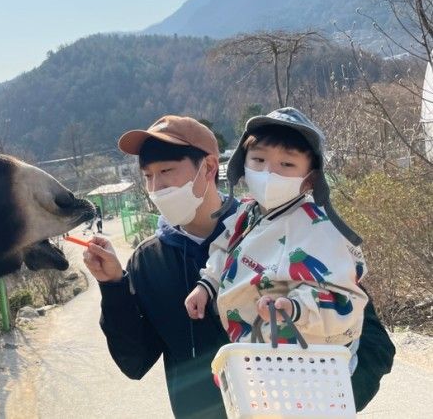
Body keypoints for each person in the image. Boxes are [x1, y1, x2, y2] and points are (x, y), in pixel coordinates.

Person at [82, 114, 394, 418]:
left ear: (208, 168)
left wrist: (322, 402)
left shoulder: (292, 231)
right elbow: (134, 363)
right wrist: (113, 285)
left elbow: (372, 342)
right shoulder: (149, 261)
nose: (156, 187)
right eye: (147, 176)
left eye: (167, 171)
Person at [186, 108, 367, 366]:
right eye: (259, 161)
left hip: (302, 364)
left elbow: (343, 299)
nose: (269, 173)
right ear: (242, 164)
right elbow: (224, 251)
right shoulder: (245, 213)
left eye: (287, 164)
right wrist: (207, 285)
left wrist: (295, 308)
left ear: (310, 179)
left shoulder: (317, 228)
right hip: (256, 353)